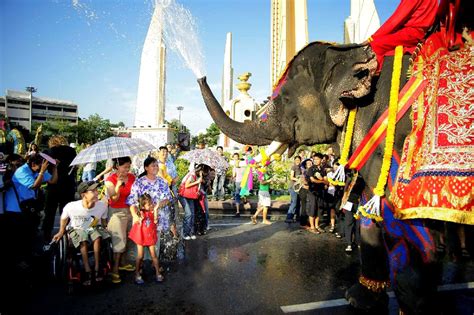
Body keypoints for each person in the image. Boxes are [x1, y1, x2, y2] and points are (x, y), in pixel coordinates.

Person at [4, 153, 58, 266]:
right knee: (19, 236)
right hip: (15, 209)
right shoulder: (22, 171)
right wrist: (42, 172)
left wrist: (54, 167)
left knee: (30, 234)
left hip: (28, 207)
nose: (43, 168)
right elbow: (34, 186)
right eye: (41, 166)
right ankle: (18, 261)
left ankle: (28, 258)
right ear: (33, 164)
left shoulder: (36, 170)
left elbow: (53, 181)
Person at [52, 181, 110, 286]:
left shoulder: (102, 206)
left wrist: (106, 227)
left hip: (93, 228)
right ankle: (87, 269)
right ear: (84, 195)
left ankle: (97, 267)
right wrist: (61, 231)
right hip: (77, 228)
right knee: (82, 237)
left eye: (97, 190)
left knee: (97, 236)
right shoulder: (71, 206)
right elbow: (64, 218)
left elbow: (104, 220)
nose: (97, 193)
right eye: (93, 191)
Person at [362, 0, 438, 71]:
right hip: (418, 33)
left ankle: (376, 75)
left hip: (410, 33)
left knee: (376, 45)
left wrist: (372, 38)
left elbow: (396, 20)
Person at [127, 156, 174, 270]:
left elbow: (168, 198)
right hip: (143, 219)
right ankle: (142, 265)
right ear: (146, 167)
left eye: (157, 165)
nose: (156, 167)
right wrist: (134, 215)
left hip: (157, 217)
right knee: (142, 242)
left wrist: (159, 205)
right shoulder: (139, 182)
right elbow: (132, 201)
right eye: (153, 165)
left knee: (155, 241)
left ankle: (154, 263)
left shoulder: (162, 181)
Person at [104, 156, 136, 284]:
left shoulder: (132, 177)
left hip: (130, 211)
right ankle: (115, 270)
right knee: (119, 241)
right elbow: (114, 199)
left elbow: (136, 193)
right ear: (117, 166)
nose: (127, 169)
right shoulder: (110, 179)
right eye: (125, 167)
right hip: (116, 212)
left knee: (129, 238)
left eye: (129, 167)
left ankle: (123, 263)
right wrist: (118, 185)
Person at [43, 135, 77, 241]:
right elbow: (74, 167)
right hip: (68, 184)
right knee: (66, 211)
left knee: (50, 212)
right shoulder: (72, 151)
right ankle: (65, 235)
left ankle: (47, 235)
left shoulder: (48, 152)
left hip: (53, 184)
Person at [128, 193, 163, 284]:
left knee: (154, 255)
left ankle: (157, 273)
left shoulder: (151, 212)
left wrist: (155, 210)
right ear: (143, 206)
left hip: (149, 236)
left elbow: (155, 221)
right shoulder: (140, 213)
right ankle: (137, 273)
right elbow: (135, 210)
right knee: (140, 256)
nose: (151, 205)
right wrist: (139, 216)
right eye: (149, 204)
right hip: (141, 236)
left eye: (151, 203)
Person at [179, 164, 205, 240]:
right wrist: (197, 182)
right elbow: (187, 185)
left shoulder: (198, 176)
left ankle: (191, 232)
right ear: (199, 170)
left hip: (190, 196)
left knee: (192, 214)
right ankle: (185, 232)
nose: (203, 172)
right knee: (189, 214)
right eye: (202, 170)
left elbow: (195, 187)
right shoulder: (192, 175)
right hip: (183, 196)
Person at [285, 156, 302, 223]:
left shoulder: (300, 167)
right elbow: (291, 177)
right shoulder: (293, 167)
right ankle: (289, 217)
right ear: (294, 160)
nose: (297, 161)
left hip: (298, 188)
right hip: (293, 187)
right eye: (296, 160)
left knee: (298, 203)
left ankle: (297, 217)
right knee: (294, 202)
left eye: (298, 160)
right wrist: (299, 179)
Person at [231, 153, 245, 217]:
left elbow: (234, 175)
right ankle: (245, 199)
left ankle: (238, 211)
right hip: (244, 181)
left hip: (238, 181)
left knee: (237, 196)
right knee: (243, 193)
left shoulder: (235, 167)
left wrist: (232, 178)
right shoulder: (244, 165)